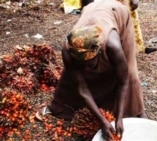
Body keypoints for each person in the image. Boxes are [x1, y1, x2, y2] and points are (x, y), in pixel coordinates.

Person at [38, 0, 147, 140]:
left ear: (99, 52)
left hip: (116, 12)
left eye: (90, 63)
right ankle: (60, 106)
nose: (87, 68)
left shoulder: (112, 45)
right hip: (91, 10)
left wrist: (118, 118)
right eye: (82, 64)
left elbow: (123, 82)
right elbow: (82, 88)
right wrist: (102, 120)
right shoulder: (67, 50)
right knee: (72, 75)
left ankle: (139, 111)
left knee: (129, 71)